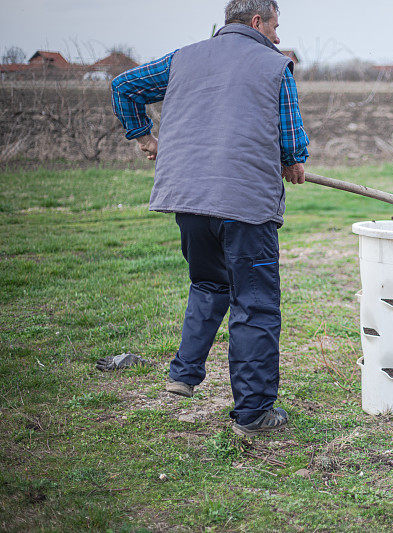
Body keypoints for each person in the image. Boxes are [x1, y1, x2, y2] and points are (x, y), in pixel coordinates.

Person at [110, 0, 308, 436]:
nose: (278, 35)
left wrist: (144, 136)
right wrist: (294, 162)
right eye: (276, 25)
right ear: (257, 22)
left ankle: (182, 375)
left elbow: (123, 86)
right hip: (245, 203)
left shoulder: (183, 58)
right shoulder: (276, 65)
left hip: (191, 200)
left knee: (208, 282)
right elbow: (291, 138)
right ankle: (254, 414)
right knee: (254, 304)